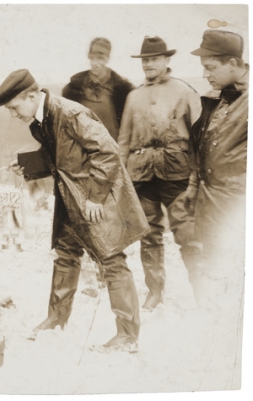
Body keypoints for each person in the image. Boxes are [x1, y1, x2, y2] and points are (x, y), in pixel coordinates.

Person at [0, 69, 149, 351]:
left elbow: (106, 152)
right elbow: (62, 157)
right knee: (65, 255)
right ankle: (56, 321)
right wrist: (28, 166)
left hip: (96, 198)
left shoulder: (71, 114)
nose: (13, 115)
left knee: (112, 261)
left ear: (31, 96)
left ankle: (127, 336)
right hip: (71, 199)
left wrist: (94, 197)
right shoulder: (40, 120)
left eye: (14, 107)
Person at [118, 36, 202, 311]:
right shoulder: (134, 96)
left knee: (187, 235)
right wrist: (121, 179)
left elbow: (200, 137)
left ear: (167, 60)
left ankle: (204, 292)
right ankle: (154, 292)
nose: (149, 64)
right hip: (141, 176)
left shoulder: (184, 91)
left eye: (154, 59)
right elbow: (124, 141)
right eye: (145, 60)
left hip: (177, 174)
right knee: (149, 235)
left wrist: (196, 178)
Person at [183, 30, 248, 308]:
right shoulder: (214, 99)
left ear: (233, 64)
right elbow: (202, 149)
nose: (206, 75)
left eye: (211, 68)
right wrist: (193, 188)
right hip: (210, 204)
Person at [62, 37, 135, 141]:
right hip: (84, 152)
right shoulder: (73, 89)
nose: (95, 63)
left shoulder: (124, 89)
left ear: (107, 58)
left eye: (100, 58)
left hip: (113, 150)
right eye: (92, 58)